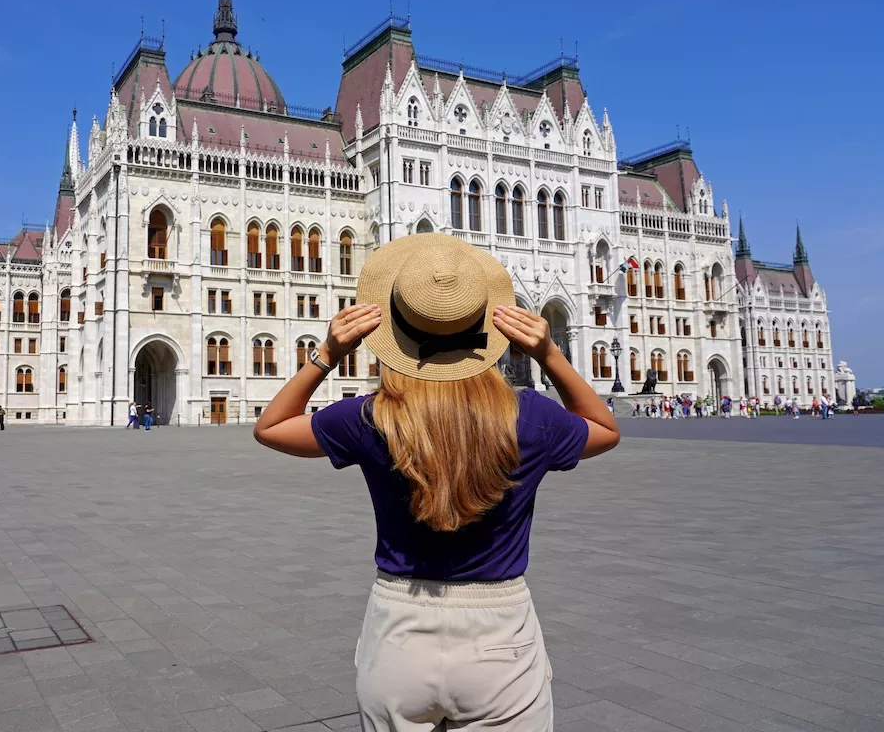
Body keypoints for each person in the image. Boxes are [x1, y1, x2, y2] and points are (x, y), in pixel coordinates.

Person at [253, 233, 620, 732]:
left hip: (398, 633)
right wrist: (549, 354)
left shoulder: (372, 419)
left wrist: (329, 352)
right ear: (488, 329)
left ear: (397, 334)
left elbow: (270, 426)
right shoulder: (530, 418)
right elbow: (605, 429)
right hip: (500, 637)